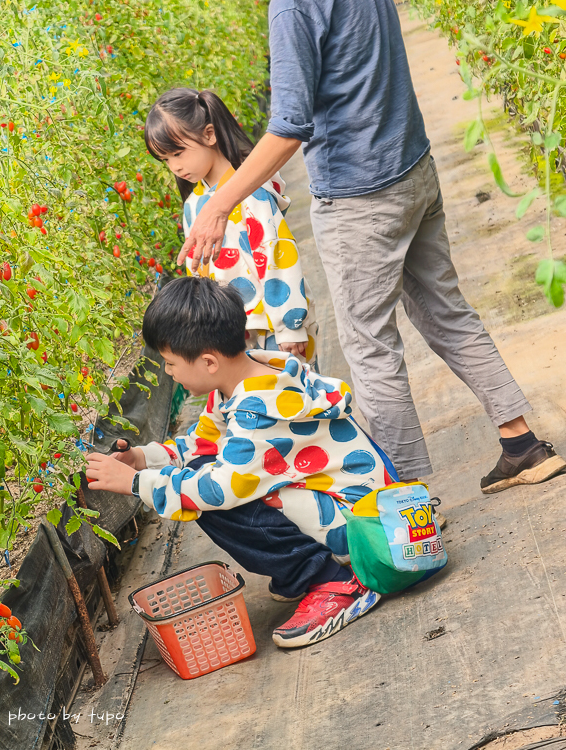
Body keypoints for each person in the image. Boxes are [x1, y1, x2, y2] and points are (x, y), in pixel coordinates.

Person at [175, 0, 565, 493]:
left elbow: (289, 126)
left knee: (371, 348)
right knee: (448, 314)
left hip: (358, 196)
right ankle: (523, 446)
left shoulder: (291, 8)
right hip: (412, 166)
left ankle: (404, 503)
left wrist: (218, 204)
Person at [86, 277, 395, 648]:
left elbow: (217, 490)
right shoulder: (248, 377)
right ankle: (309, 568)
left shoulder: (257, 412)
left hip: (364, 529)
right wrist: (141, 458)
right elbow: (203, 444)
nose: (168, 373)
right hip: (360, 506)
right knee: (202, 471)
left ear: (208, 362)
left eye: (170, 363)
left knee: (210, 497)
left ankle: (334, 581)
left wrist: (135, 484)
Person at [144, 88, 318, 364]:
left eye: (178, 153)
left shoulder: (250, 192)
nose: (174, 166)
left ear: (209, 135)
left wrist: (290, 325)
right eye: (166, 159)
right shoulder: (193, 205)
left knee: (294, 390)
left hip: (273, 330)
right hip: (231, 338)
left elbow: (277, 255)